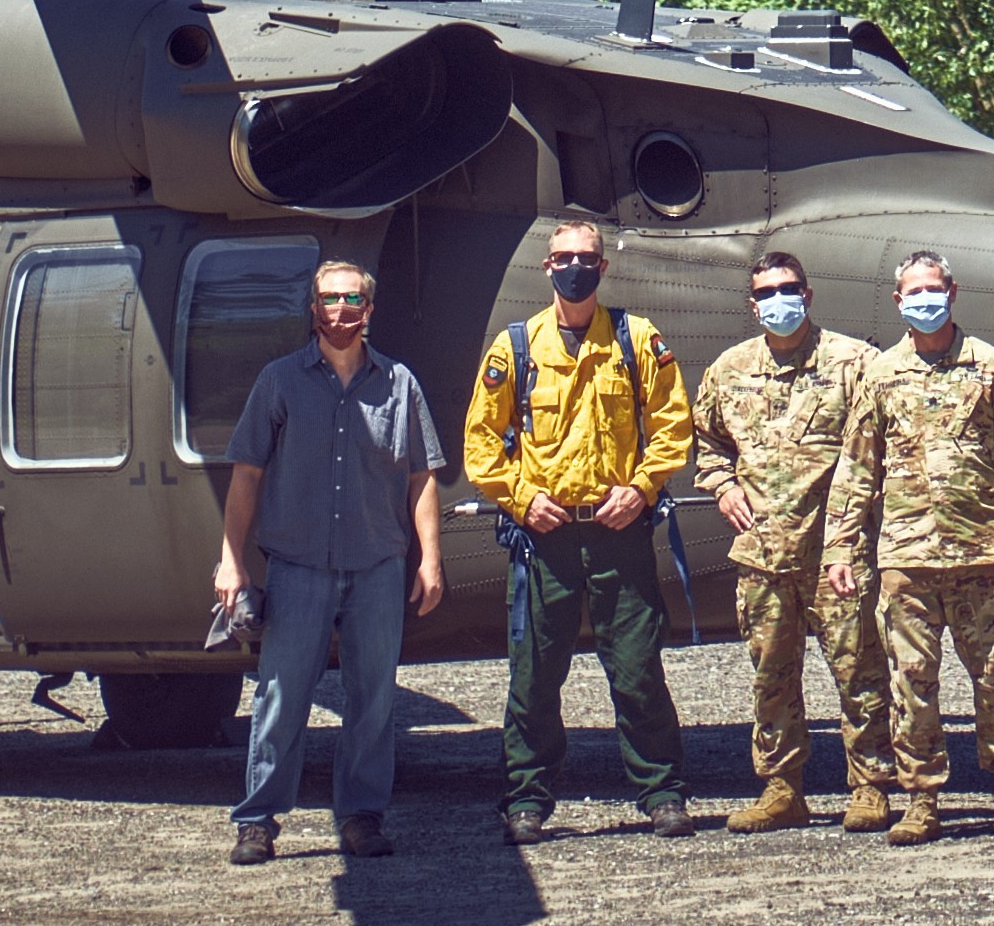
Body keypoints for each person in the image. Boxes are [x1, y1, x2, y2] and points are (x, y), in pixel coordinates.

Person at [464, 215, 699, 840]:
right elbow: (482, 445)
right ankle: (527, 799)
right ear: (547, 267)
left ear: (603, 266)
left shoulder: (635, 339)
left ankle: (662, 792)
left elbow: (674, 425)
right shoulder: (515, 346)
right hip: (546, 538)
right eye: (564, 256)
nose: (575, 266)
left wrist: (644, 486)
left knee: (638, 668)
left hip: (618, 531)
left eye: (586, 257)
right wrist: (519, 500)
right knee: (534, 675)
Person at [209, 257, 448, 867]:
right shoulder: (280, 381)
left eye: (352, 300)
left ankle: (361, 817)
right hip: (298, 565)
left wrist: (430, 560)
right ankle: (258, 820)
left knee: (373, 698)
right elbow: (246, 475)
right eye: (329, 300)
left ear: (369, 310)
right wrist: (230, 560)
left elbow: (421, 477)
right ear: (313, 309)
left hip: (377, 564)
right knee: (281, 696)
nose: (340, 310)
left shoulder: (398, 383)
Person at [691, 246, 891, 833]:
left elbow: (882, 447)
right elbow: (706, 443)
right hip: (762, 554)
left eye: (789, 289)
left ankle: (871, 786)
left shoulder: (855, 363)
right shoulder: (728, 370)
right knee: (772, 677)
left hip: (836, 554)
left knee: (860, 673)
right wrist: (723, 486)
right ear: (752, 305)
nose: (779, 301)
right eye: (766, 293)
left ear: (808, 293)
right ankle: (782, 789)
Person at [846, 248, 994, 844]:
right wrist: (840, 549)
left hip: (980, 555)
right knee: (912, 682)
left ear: (952, 292)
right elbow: (857, 470)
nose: (925, 300)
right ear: (898, 300)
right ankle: (922, 797)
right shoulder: (880, 375)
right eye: (914, 291)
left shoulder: (991, 369)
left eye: (934, 288)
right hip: (906, 560)